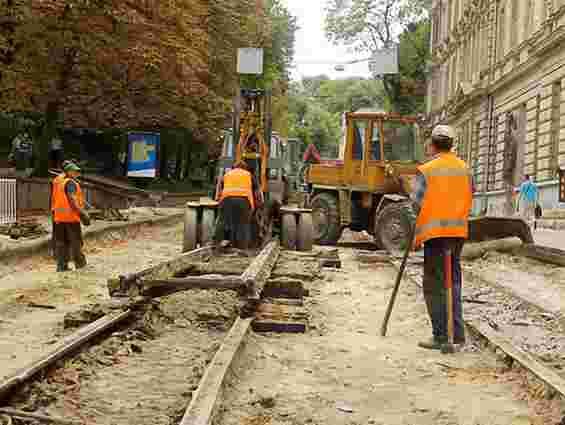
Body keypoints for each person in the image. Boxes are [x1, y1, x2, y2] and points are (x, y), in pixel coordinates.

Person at [403, 125, 473, 350]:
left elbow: (415, 204)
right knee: (453, 282)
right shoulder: (465, 169)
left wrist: (414, 235)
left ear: (432, 145)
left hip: (435, 236)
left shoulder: (427, 170)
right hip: (457, 234)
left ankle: (442, 336)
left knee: (434, 285)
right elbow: (471, 194)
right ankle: (457, 334)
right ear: (451, 145)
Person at [51, 161, 91, 272]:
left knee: (62, 242)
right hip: (71, 217)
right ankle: (80, 265)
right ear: (68, 171)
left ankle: (61, 266)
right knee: (76, 241)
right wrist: (83, 215)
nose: (77, 173)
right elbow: (72, 201)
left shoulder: (59, 181)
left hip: (58, 217)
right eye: (75, 171)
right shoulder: (70, 183)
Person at [215, 160, 259, 249]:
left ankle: (222, 241)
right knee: (243, 224)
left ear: (234, 167)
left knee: (225, 221)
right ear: (245, 168)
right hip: (244, 201)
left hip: (226, 200)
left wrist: (218, 201)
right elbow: (257, 192)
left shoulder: (227, 174)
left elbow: (220, 189)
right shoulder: (249, 175)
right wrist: (257, 205)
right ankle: (242, 246)